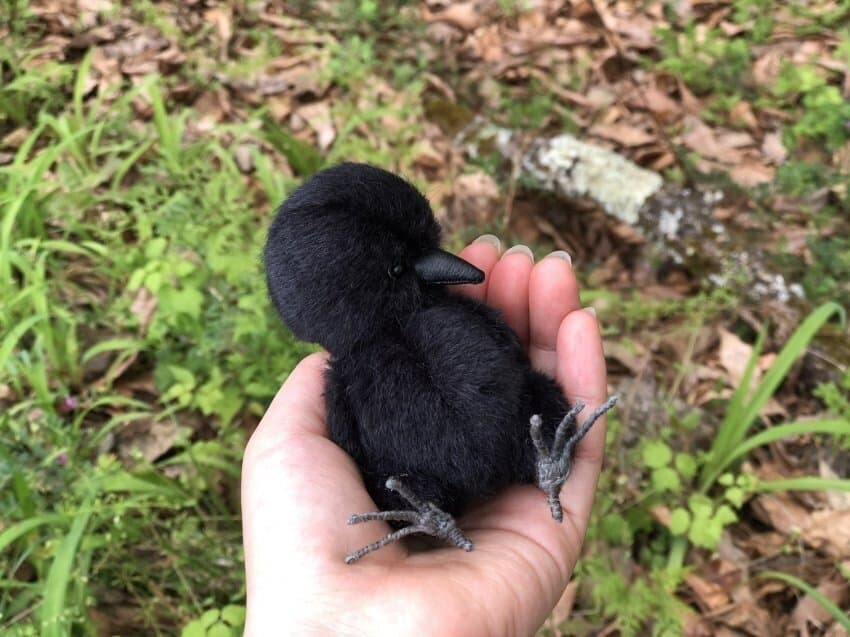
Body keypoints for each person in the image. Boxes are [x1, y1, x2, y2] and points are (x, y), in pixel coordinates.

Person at [241, 236, 610, 636]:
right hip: (430, 485)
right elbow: (353, 445)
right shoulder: (346, 381)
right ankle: (444, 508)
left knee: (537, 409)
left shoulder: (447, 317)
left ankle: (543, 462)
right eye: (400, 267)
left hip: (514, 438)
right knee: (398, 481)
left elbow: (513, 355)